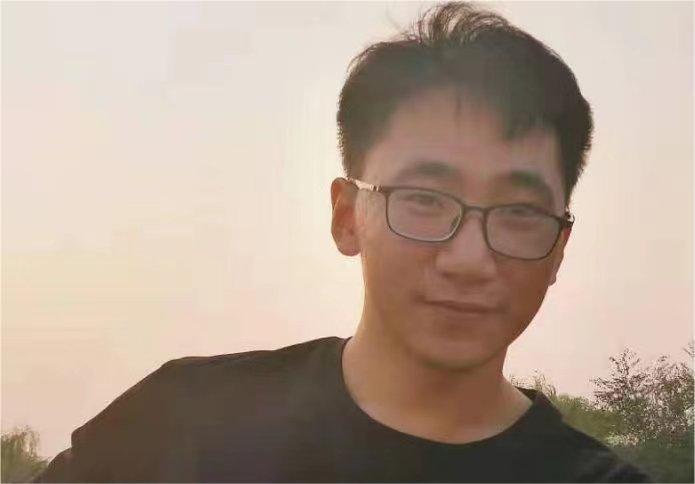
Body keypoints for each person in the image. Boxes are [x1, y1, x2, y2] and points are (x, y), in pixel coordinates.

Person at [35, 2, 652, 482]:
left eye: (519, 212)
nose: (469, 260)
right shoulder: (177, 430)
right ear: (347, 215)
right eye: (425, 200)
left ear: (559, 248)